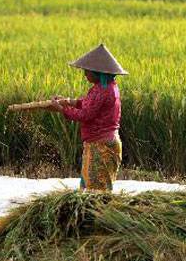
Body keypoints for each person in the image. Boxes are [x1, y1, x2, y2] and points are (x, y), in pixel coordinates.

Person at [47, 44, 127, 192]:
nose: (85, 74)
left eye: (87, 71)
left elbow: (86, 114)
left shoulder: (103, 91)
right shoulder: (106, 87)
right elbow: (89, 104)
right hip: (100, 143)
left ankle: (98, 215)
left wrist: (62, 109)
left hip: (101, 145)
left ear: (97, 72)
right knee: (89, 186)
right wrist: (69, 101)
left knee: (96, 191)